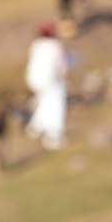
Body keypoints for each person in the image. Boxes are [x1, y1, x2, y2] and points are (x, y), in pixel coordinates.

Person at [24, 21, 68, 150]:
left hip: (33, 77)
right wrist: (63, 76)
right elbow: (60, 66)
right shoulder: (55, 45)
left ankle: (35, 126)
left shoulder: (36, 45)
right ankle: (53, 135)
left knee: (45, 100)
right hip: (49, 78)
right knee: (56, 102)